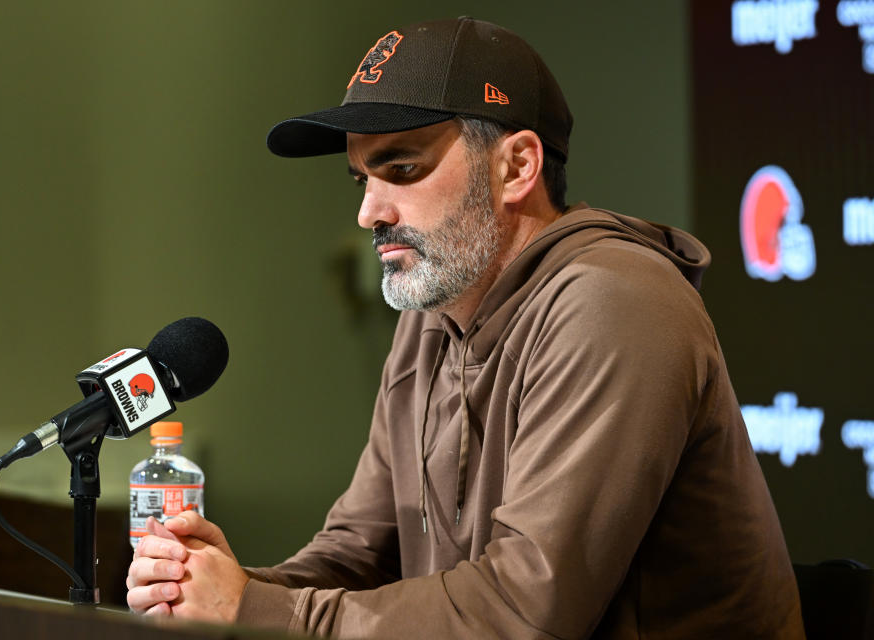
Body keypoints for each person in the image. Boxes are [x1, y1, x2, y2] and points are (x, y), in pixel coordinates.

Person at [126, 17, 805, 638]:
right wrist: (213, 591)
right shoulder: (430, 316)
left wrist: (252, 608)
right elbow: (358, 553)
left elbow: (526, 610)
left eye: (402, 168)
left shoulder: (616, 302)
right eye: (361, 177)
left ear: (516, 167)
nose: (370, 212)